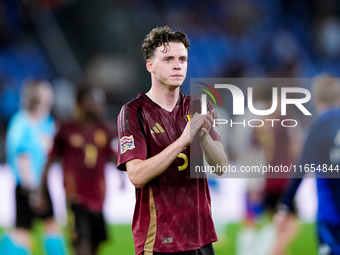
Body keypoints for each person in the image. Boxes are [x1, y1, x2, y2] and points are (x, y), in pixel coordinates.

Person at [117, 26, 228, 255]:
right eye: (168, 59)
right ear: (150, 65)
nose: (178, 65)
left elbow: (221, 167)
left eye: (182, 59)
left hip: (201, 237)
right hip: (159, 242)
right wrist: (182, 140)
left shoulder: (199, 107)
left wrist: (204, 137)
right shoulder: (133, 112)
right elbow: (136, 175)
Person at [37, 85, 118, 255]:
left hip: (99, 199)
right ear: (81, 102)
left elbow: (116, 158)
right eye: (94, 100)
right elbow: (50, 161)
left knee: (95, 246)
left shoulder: (104, 129)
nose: (98, 104)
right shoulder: (67, 129)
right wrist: (41, 190)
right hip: (75, 198)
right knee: (81, 245)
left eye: (100, 101)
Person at [0, 79, 67, 255]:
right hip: (28, 186)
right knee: (24, 234)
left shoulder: (46, 121)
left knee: (47, 226)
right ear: (36, 96)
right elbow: (23, 159)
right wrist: (33, 190)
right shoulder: (22, 123)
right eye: (45, 90)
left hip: (41, 184)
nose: (50, 92)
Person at [275, 74, 340, 255]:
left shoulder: (318, 128)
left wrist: (285, 206)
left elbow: (302, 169)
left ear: (317, 98)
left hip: (331, 215)